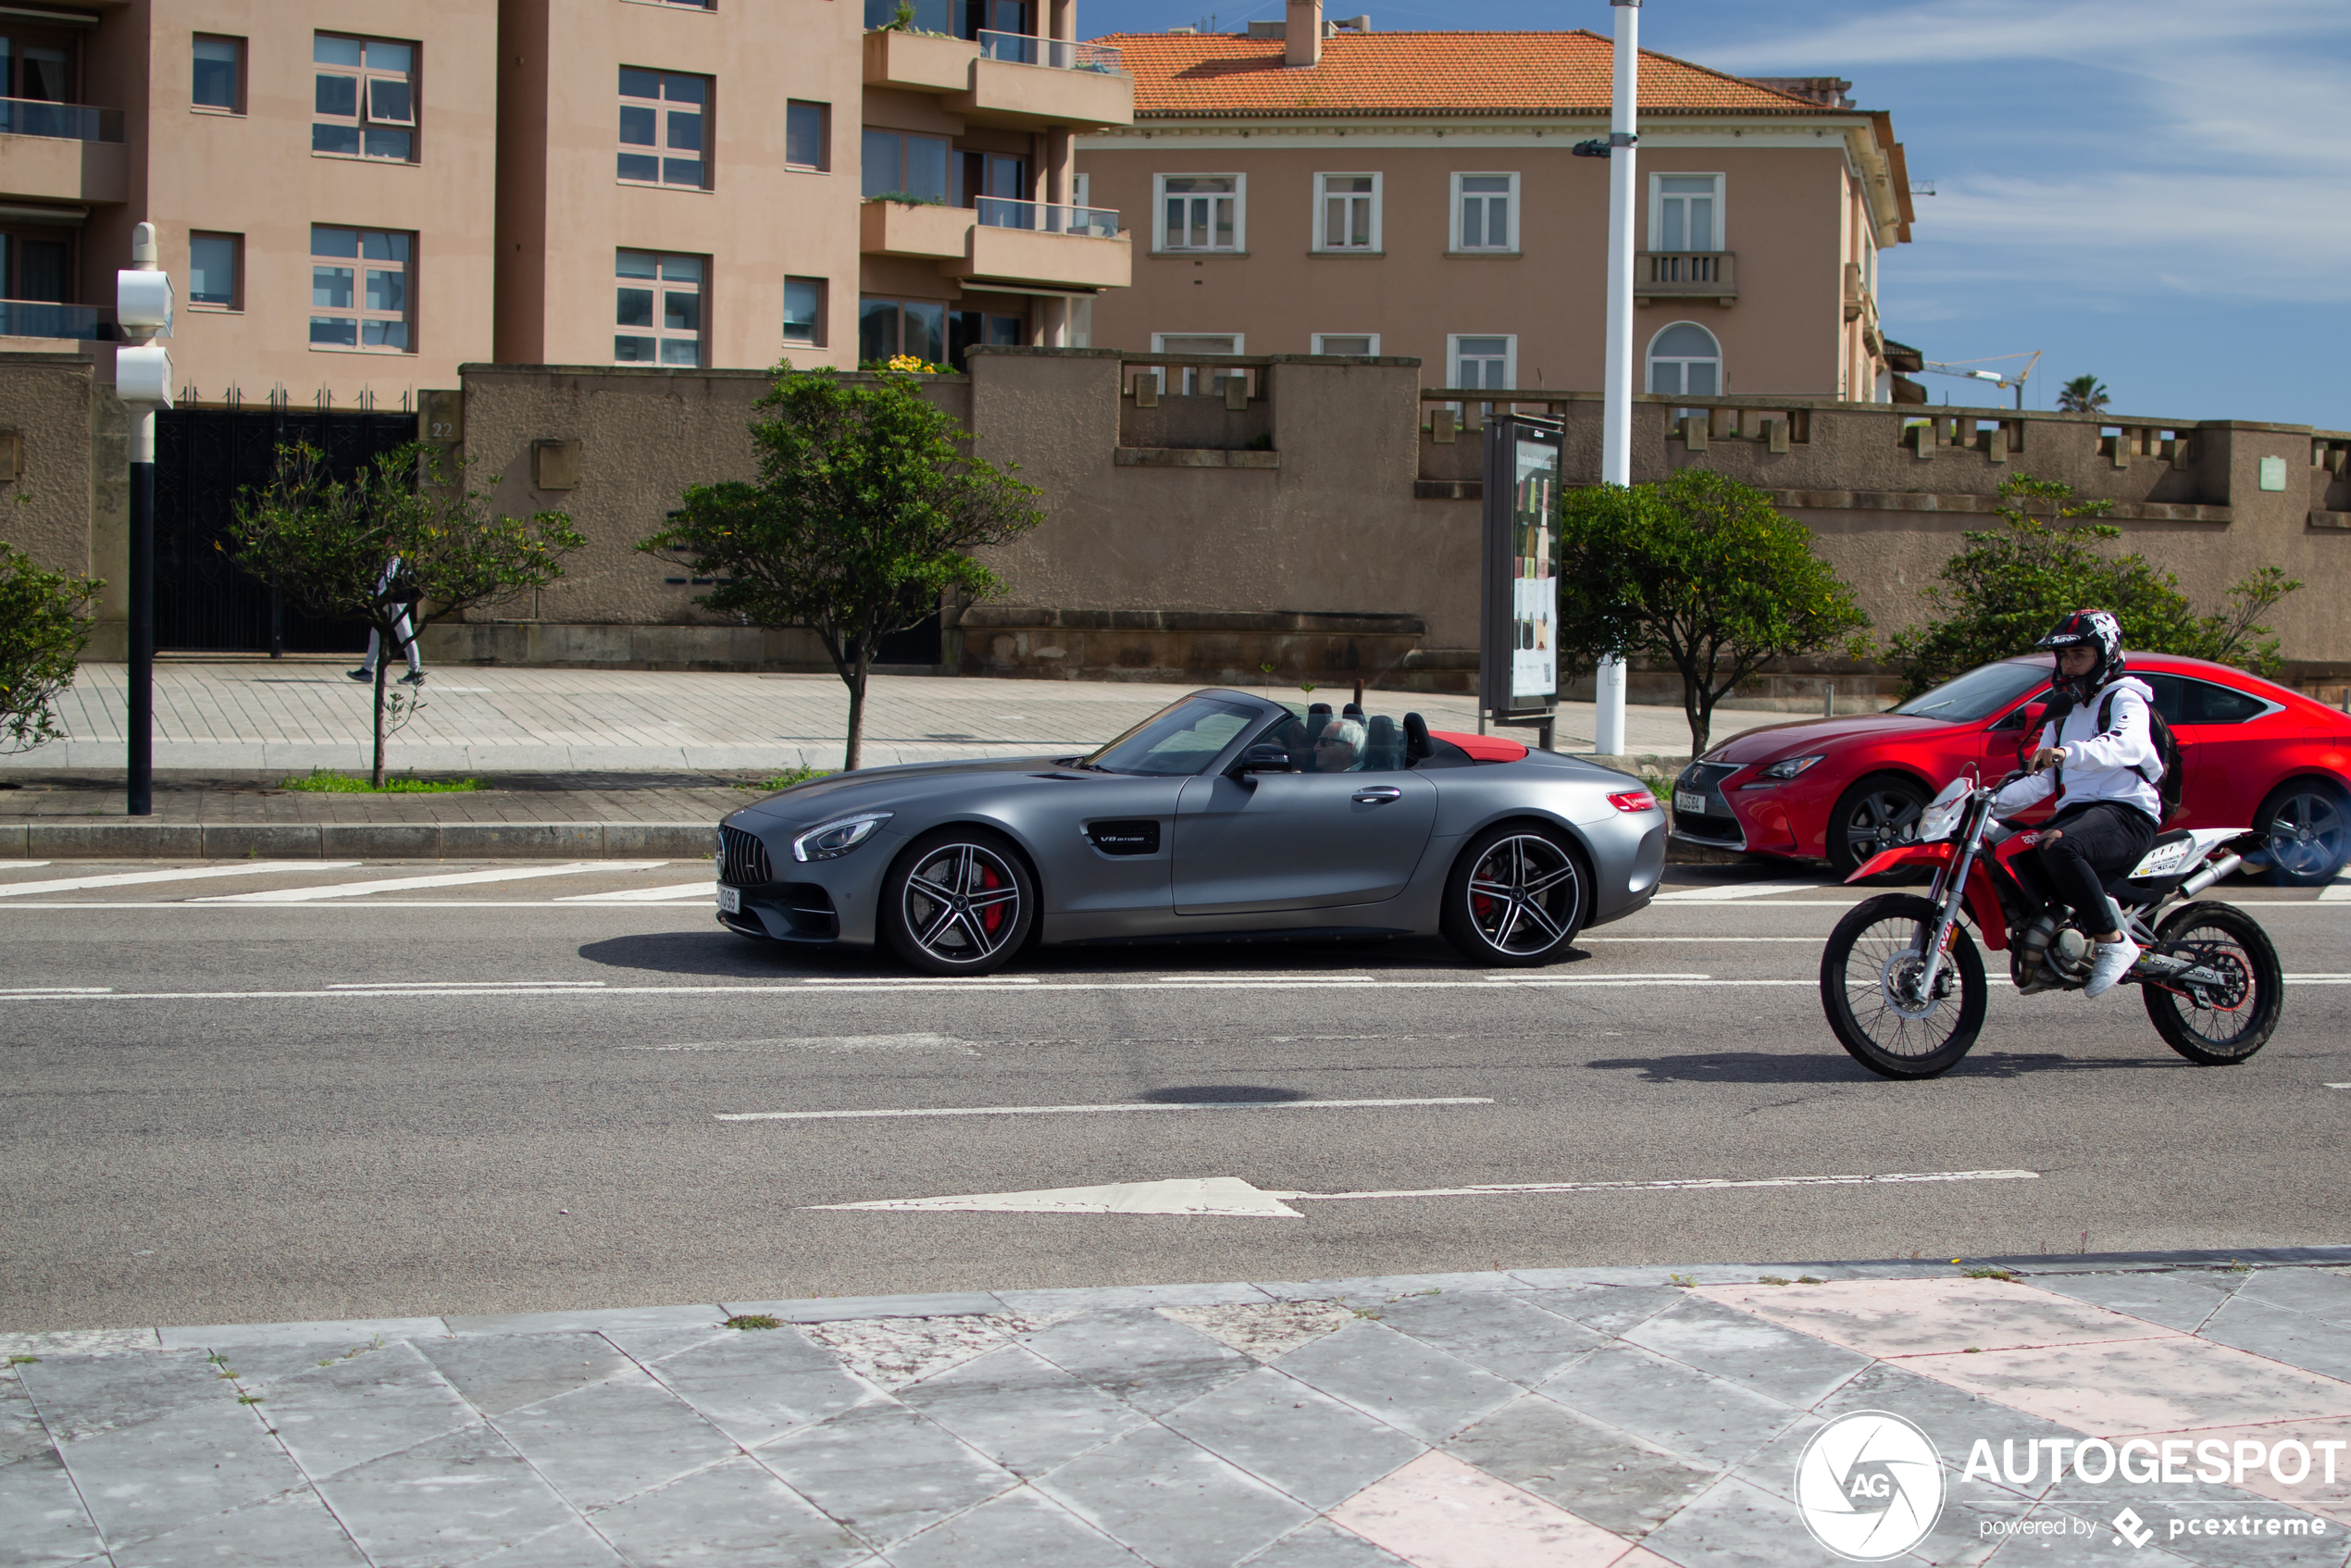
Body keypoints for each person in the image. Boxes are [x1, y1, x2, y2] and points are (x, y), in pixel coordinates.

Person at [1991, 610, 2162, 997]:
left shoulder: (2125, 697)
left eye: (2079, 655)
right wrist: (1986, 803)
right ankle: (2054, 948)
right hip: (2080, 814)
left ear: (2105, 655)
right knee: (2008, 849)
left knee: (2060, 844)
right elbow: (2041, 783)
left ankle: (2113, 941)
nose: (2069, 665)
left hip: (2128, 813)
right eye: (2064, 657)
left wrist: (2066, 752)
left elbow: (2129, 744)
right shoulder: (2065, 709)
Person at [347, 556, 424, 687]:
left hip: (396, 601)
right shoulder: (394, 557)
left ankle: (415, 671)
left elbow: (388, 578)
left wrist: (372, 595)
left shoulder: (395, 558)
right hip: (389, 600)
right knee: (376, 634)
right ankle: (367, 668)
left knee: (405, 635)